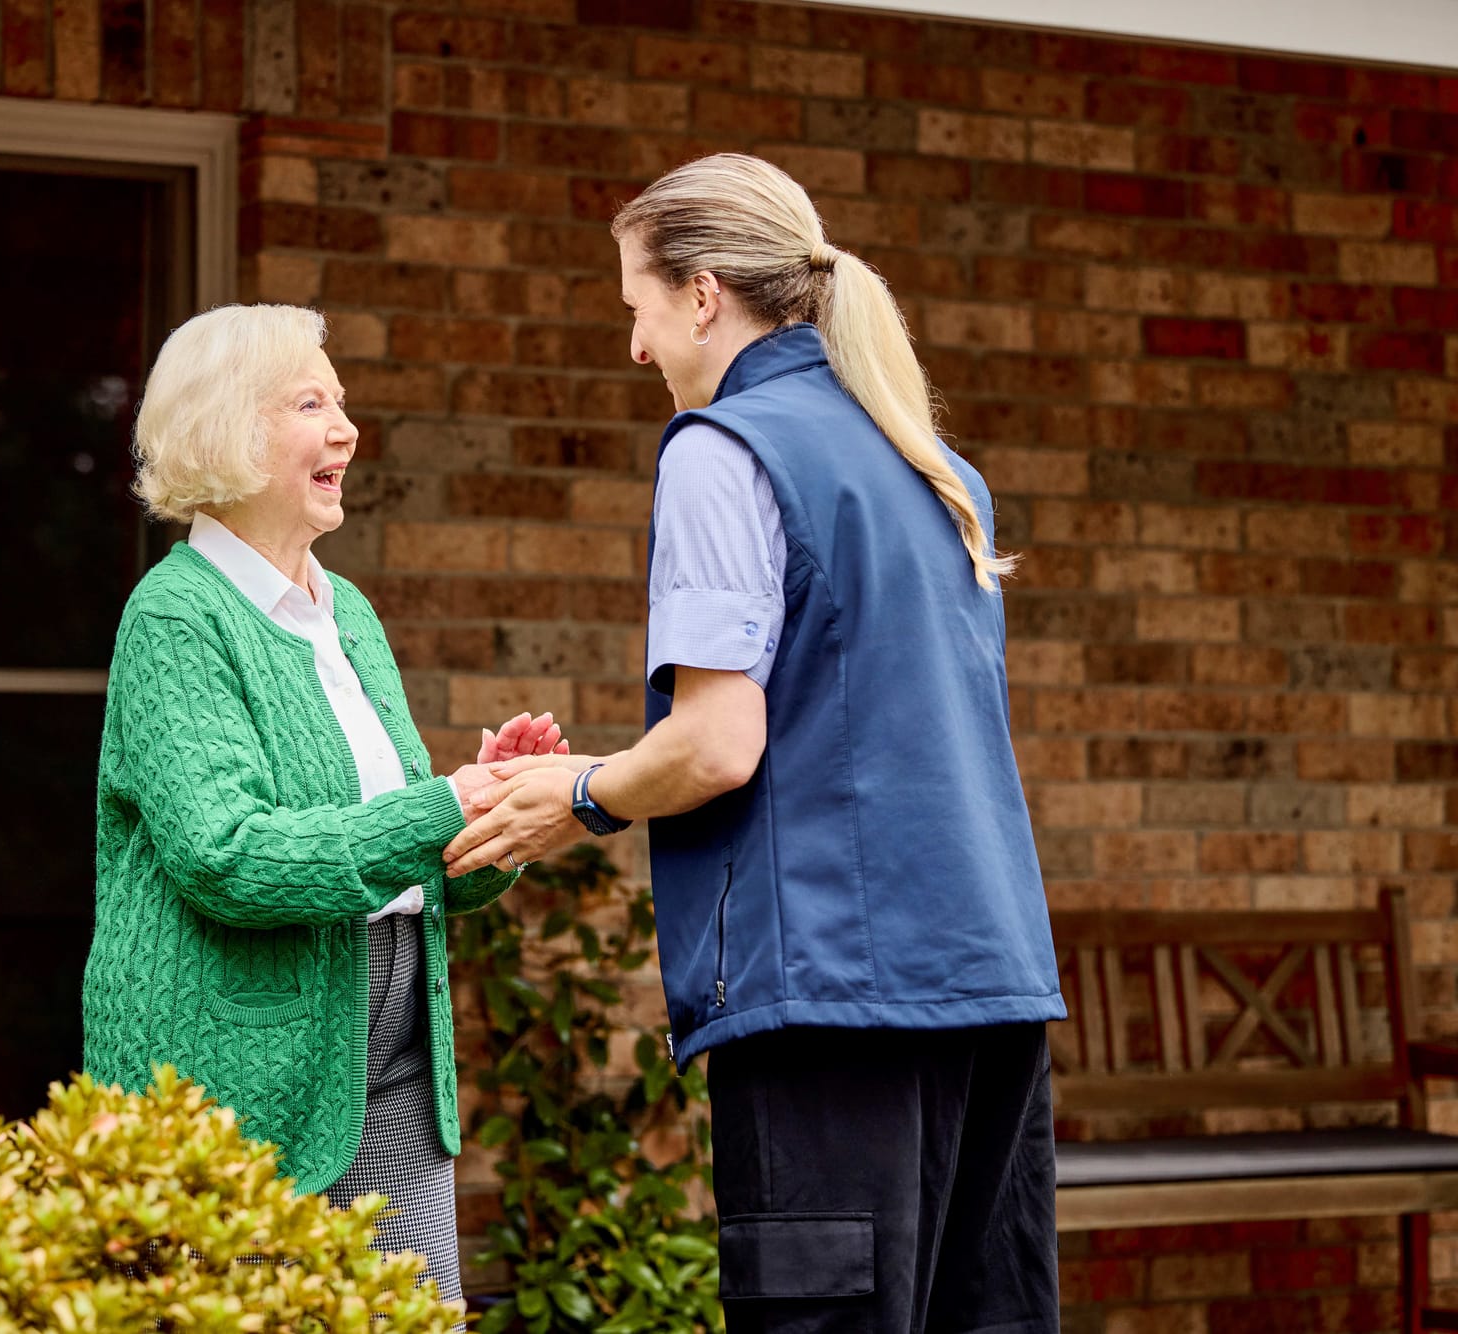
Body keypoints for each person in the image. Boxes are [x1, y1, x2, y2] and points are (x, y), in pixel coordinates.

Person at [445, 154, 1067, 1334]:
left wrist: (576, 791)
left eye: (635, 308)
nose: (635, 350)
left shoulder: (720, 449)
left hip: (832, 998)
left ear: (701, 292)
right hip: (989, 990)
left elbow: (716, 746)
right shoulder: (938, 469)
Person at [83, 303, 566, 1307]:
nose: (345, 427)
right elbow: (227, 854)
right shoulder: (175, 617)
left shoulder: (345, 611)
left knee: (415, 1312)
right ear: (226, 428)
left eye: (340, 400)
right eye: (311, 402)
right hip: (232, 1063)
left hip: (389, 1048)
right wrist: (437, 805)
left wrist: (489, 817)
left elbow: (398, 858)